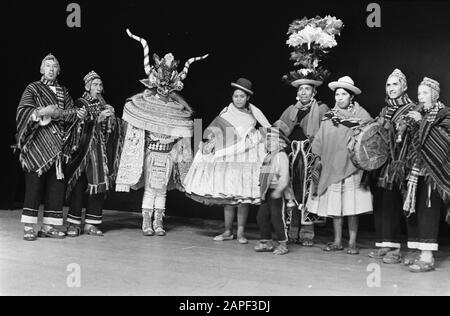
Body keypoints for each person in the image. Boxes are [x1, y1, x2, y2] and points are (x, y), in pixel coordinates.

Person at [116, 29, 202, 236]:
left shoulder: (176, 110)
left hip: (168, 155)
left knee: (161, 190)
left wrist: (180, 143)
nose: (164, 88)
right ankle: (146, 221)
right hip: (152, 153)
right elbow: (137, 127)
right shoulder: (146, 105)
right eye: (161, 83)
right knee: (150, 189)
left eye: (168, 84)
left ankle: (158, 221)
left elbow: (187, 130)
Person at [184, 78, 271, 244]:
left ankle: (241, 232)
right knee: (229, 194)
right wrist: (210, 143)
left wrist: (263, 140)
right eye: (236, 96)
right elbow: (215, 130)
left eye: (242, 96)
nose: (238, 99)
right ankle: (227, 231)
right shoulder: (226, 111)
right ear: (232, 96)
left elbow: (267, 126)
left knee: (243, 195)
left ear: (248, 98)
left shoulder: (253, 111)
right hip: (228, 155)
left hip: (246, 153)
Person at [15, 53, 86, 241]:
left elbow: (69, 114)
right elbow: (23, 111)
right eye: (48, 66)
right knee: (34, 186)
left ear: (59, 70)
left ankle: (49, 226)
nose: (51, 69)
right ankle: (29, 226)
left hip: (58, 146)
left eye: (54, 66)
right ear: (41, 69)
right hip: (37, 145)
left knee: (56, 185)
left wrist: (78, 114)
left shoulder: (64, 91)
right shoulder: (33, 89)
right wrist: (43, 111)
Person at [306, 76, 373, 254]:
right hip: (332, 166)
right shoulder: (329, 116)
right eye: (337, 94)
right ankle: (336, 241)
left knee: (352, 208)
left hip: (352, 168)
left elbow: (370, 137)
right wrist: (318, 156)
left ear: (351, 97)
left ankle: (351, 242)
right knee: (336, 207)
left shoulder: (362, 116)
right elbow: (321, 138)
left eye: (344, 94)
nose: (339, 98)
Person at [273, 75, 329, 247]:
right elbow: (279, 131)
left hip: (310, 156)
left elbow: (326, 132)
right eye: (301, 89)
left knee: (307, 192)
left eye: (307, 89)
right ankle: (291, 230)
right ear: (297, 92)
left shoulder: (321, 108)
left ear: (314, 91)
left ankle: (307, 233)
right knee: (291, 193)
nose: (304, 92)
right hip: (291, 156)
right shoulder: (291, 110)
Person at [65, 71, 123, 237]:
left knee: (97, 187)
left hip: (99, 153)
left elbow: (110, 131)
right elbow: (75, 125)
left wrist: (112, 119)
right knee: (78, 186)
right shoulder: (80, 102)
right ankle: (73, 223)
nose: (98, 88)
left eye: (100, 85)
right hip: (83, 152)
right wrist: (97, 119)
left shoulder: (104, 105)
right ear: (87, 87)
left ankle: (91, 223)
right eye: (95, 85)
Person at [368, 69, 417, 264]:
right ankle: (384, 244)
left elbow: (412, 137)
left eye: (395, 84)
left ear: (404, 87)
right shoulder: (384, 110)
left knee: (395, 204)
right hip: (382, 164)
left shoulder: (412, 108)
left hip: (400, 164)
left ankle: (396, 248)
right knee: (382, 203)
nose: (391, 88)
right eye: (388, 85)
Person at [402, 77, 450, 272]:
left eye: (425, 93)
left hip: (433, 171)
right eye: (419, 93)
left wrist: (422, 123)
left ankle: (427, 257)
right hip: (415, 171)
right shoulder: (417, 112)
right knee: (412, 209)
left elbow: (445, 140)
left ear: (434, 95)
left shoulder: (444, 113)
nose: (420, 97)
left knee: (428, 210)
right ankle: (416, 250)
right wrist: (405, 127)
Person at [255, 128, 291, 255]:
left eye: (272, 140)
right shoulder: (268, 156)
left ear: (280, 142)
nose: (269, 142)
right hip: (267, 192)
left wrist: (279, 190)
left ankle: (283, 244)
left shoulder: (281, 156)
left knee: (277, 218)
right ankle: (267, 242)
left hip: (277, 192)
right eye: (268, 140)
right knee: (261, 217)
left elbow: (284, 176)